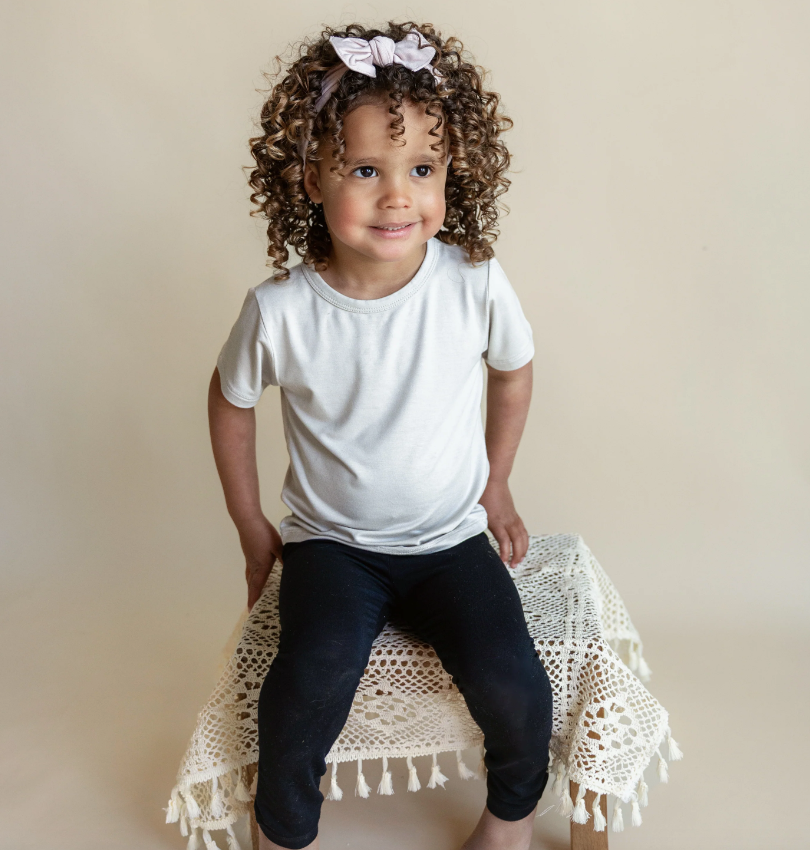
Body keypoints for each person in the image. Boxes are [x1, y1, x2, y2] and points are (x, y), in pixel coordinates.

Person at [208, 22, 553, 850]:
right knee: (309, 679)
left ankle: (510, 816)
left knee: (513, 680)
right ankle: (281, 828)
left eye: (421, 170)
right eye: (366, 170)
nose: (399, 196)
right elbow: (228, 401)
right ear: (310, 175)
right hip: (335, 546)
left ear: (451, 170)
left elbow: (513, 371)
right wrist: (251, 526)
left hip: (450, 539)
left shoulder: (473, 281)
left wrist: (496, 481)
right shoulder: (281, 310)